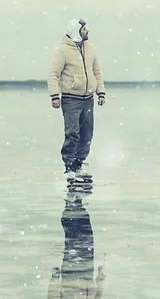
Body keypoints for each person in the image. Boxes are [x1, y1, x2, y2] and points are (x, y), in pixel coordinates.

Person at [47, 18, 106, 175]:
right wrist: (54, 96)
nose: (87, 31)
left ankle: (78, 164)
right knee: (72, 132)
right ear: (76, 31)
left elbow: (97, 73)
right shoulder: (63, 51)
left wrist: (101, 92)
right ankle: (69, 165)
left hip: (88, 99)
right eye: (84, 29)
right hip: (70, 99)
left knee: (87, 133)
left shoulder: (91, 49)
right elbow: (53, 74)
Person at [47, 185, 105, 298]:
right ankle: (77, 202)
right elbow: (99, 295)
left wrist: (54, 279)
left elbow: (52, 296)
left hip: (72, 270)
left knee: (73, 239)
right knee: (85, 234)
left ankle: (71, 202)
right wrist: (101, 277)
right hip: (85, 268)